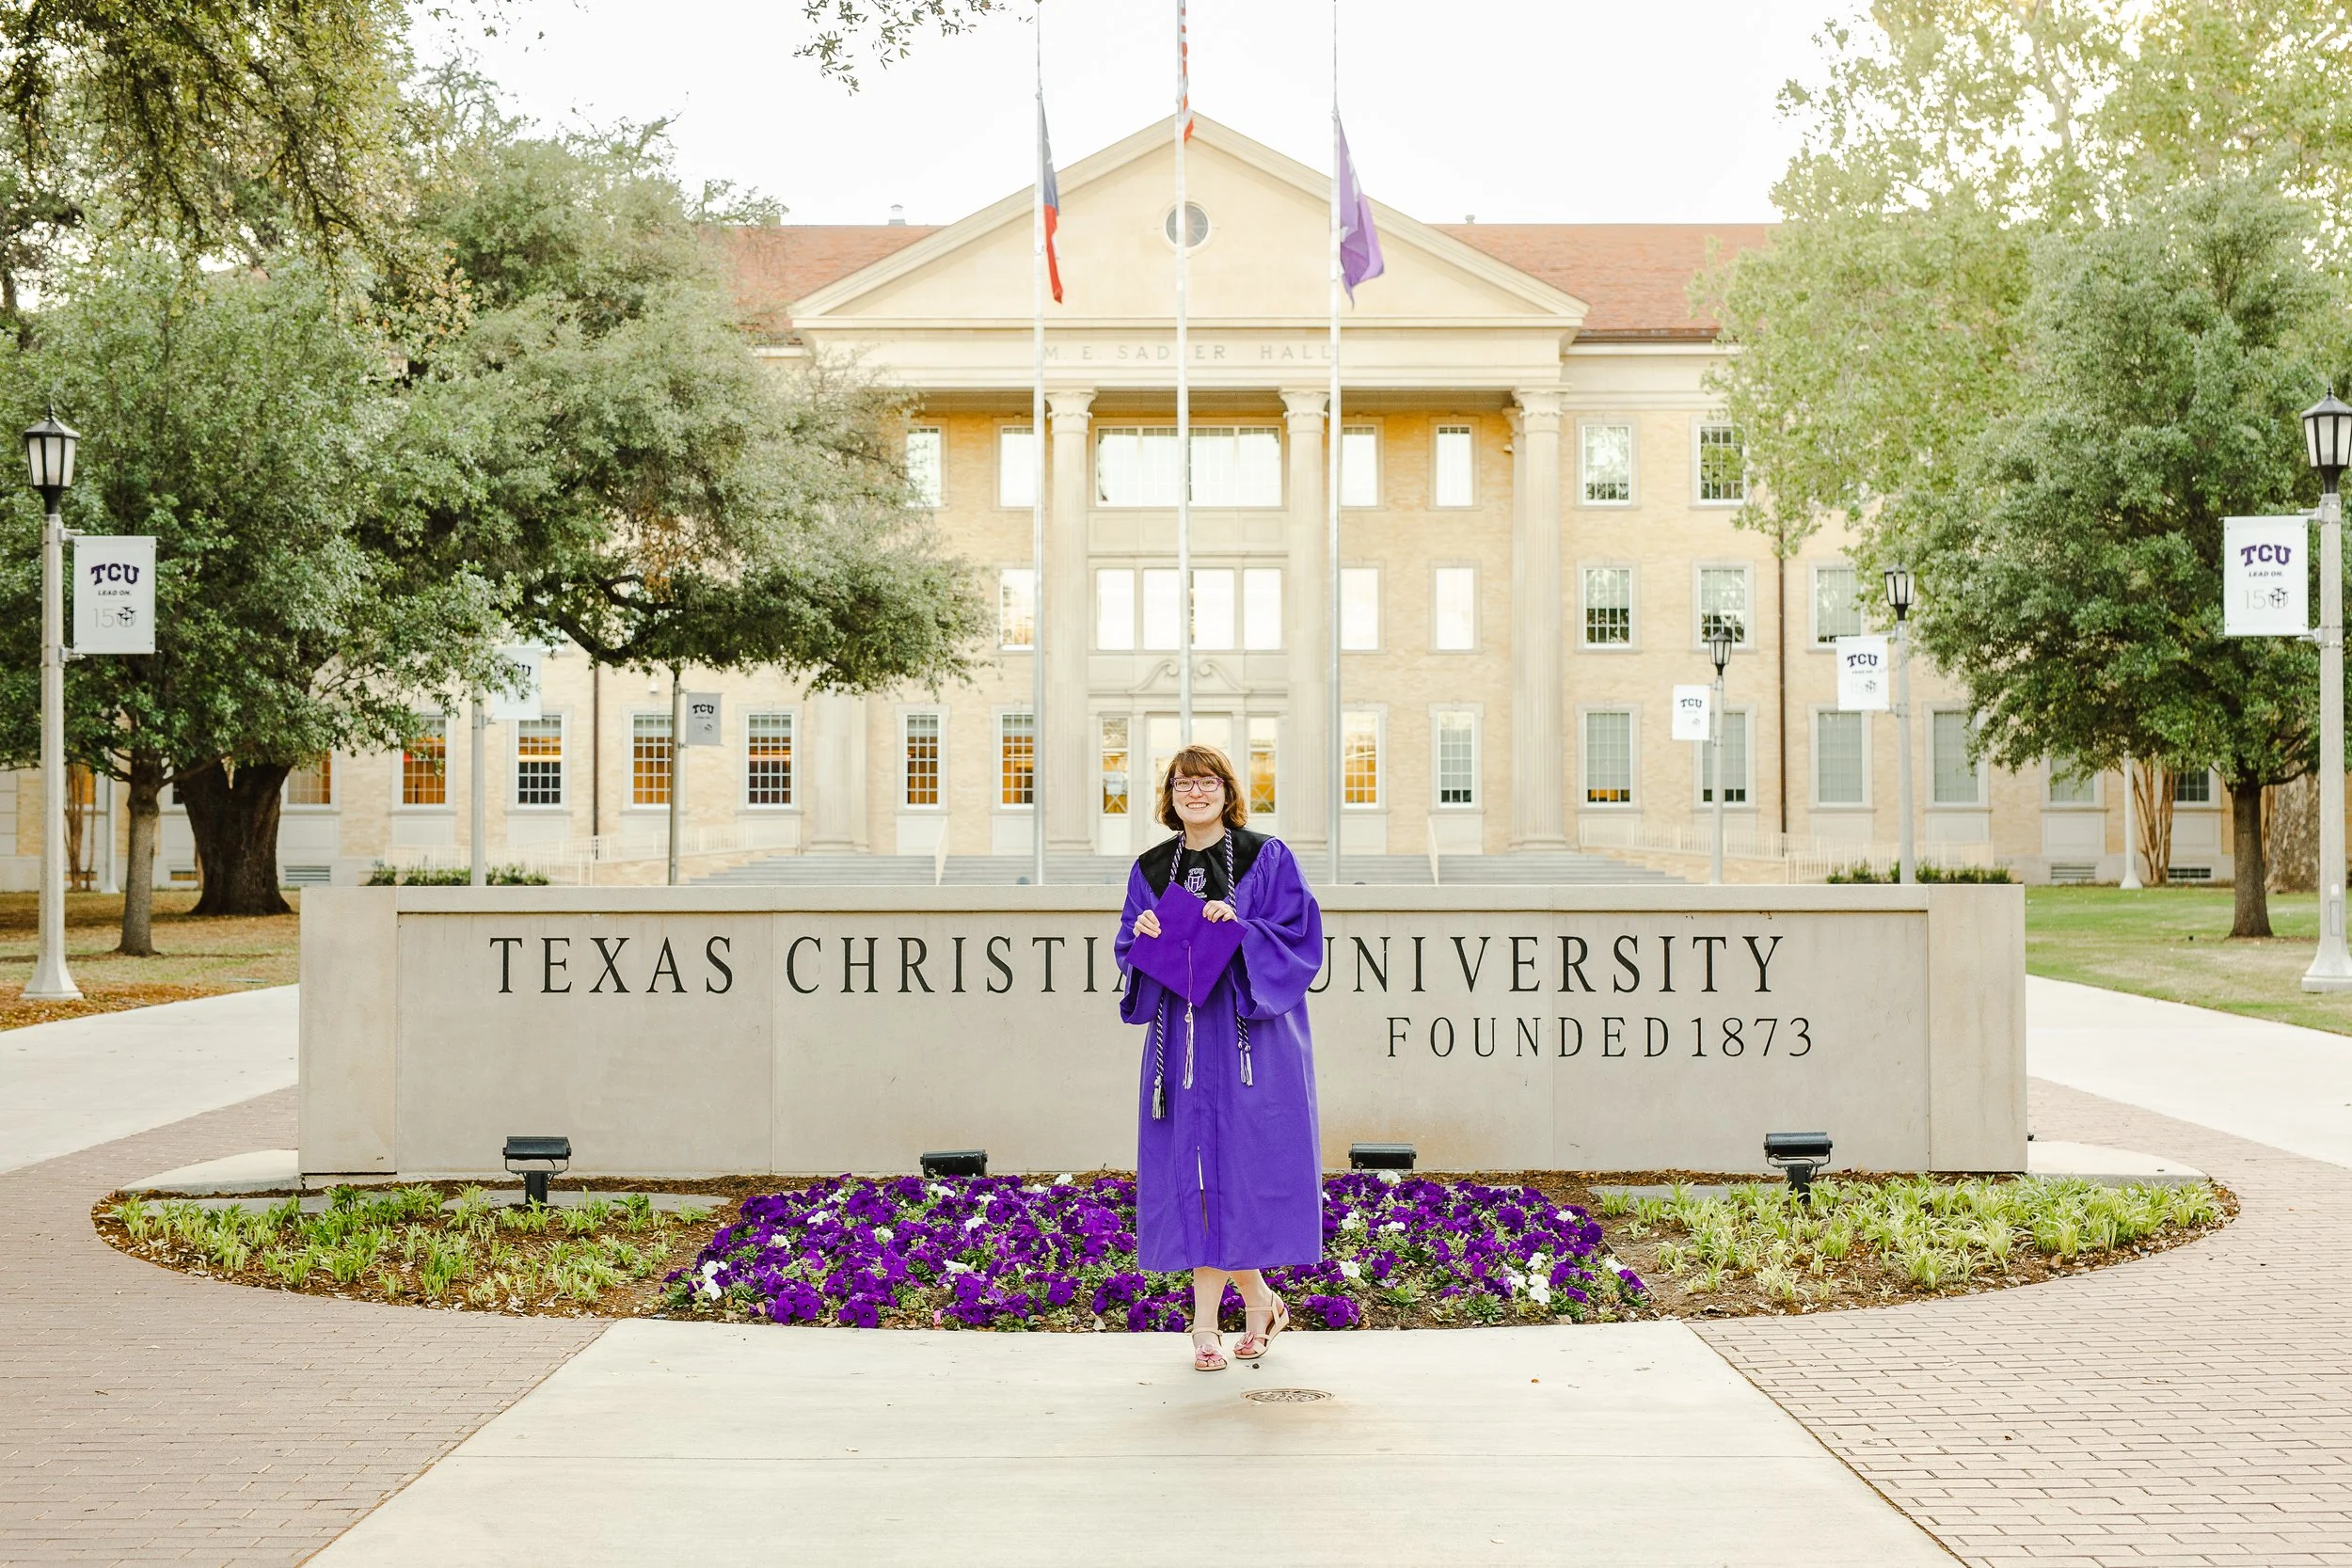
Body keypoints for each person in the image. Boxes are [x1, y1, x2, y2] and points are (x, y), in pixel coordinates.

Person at [1114, 743, 1325, 1371]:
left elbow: (1300, 935)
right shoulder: (1151, 869)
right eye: (1183, 782)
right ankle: (1242, 1306)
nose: (1195, 791)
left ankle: (1226, 1315)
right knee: (1195, 1172)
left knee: (1236, 1169)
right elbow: (1129, 946)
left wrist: (1241, 926)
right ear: (1170, 794)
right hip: (1180, 1041)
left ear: (1227, 790)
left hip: (1245, 1040)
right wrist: (1142, 937)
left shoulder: (1267, 856)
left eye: (1207, 781)